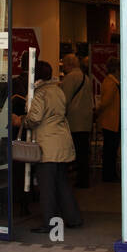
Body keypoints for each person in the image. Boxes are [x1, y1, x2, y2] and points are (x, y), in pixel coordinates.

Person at [13, 60, 82, 233]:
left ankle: (50, 223)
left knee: (46, 187)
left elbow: (34, 118)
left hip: (47, 144)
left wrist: (20, 120)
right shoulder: (57, 90)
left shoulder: (40, 93)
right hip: (61, 141)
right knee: (62, 183)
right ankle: (74, 218)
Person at [60, 53, 93, 188]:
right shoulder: (86, 78)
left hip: (74, 120)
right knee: (83, 151)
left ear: (69, 65)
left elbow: (64, 100)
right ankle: (84, 178)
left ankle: (79, 180)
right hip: (85, 119)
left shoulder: (70, 78)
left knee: (75, 151)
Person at [94, 57, 120, 184]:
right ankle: (109, 175)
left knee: (110, 150)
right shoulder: (112, 83)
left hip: (111, 121)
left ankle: (110, 174)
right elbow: (106, 102)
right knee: (110, 150)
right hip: (111, 122)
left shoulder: (109, 81)